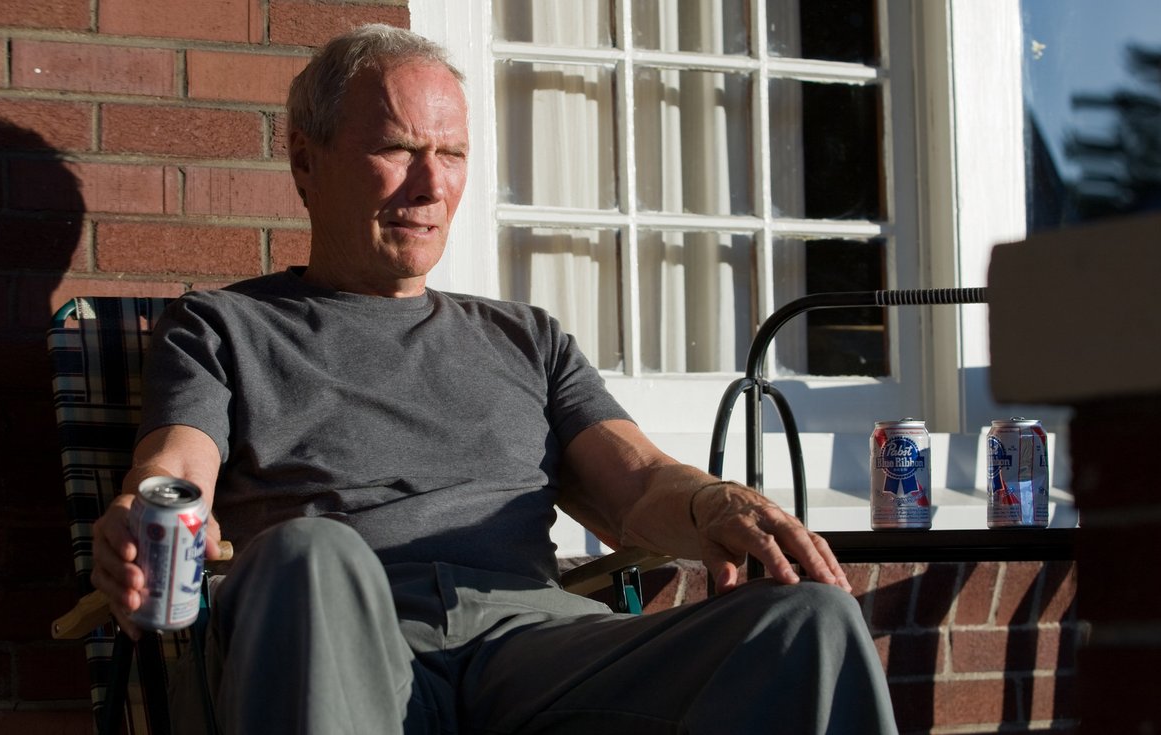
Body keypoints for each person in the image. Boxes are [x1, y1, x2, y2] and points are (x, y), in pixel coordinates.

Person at [91, 24, 897, 735]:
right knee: (309, 549)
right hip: (343, 642)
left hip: (531, 648)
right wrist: (139, 516)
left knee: (808, 621)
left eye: (450, 154)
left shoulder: (526, 338)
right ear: (306, 160)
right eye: (397, 149)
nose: (430, 185)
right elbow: (175, 468)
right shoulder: (224, 325)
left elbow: (637, 482)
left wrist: (711, 502)